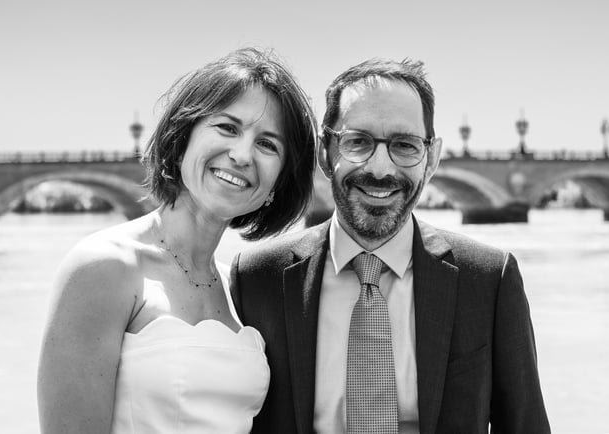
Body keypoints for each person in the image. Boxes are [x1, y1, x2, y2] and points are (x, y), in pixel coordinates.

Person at [230, 58, 550, 433]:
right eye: (358, 142)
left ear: (430, 158)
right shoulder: (256, 279)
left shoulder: (489, 280)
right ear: (324, 153)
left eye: (404, 145)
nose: (380, 168)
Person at [37, 48, 317, 434]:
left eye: (268, 144)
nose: (241, 155)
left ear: (277, 184)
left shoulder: (241, 286)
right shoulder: (104, 267)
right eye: (227, 128)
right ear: (182, 138)